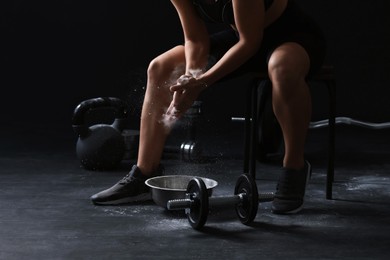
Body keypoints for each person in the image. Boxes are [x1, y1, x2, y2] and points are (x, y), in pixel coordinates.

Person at [90, 0, 326, 214]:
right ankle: (143, 174)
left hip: (290, 36)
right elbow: (195, 39)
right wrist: (189, 78)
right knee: (160, 68)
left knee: (281, 67)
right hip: (243, 38)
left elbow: (250, 41)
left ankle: (294, 166)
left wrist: (201, 83)